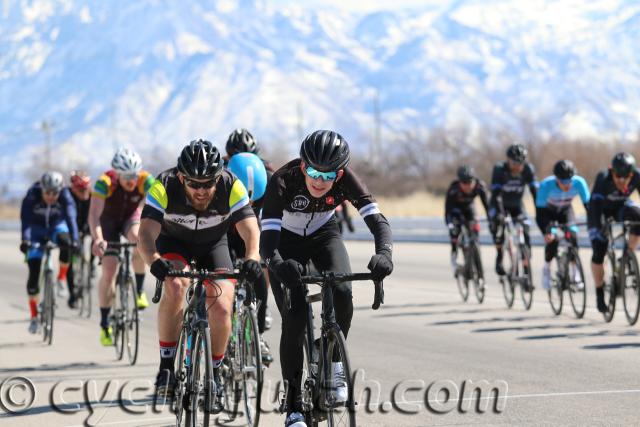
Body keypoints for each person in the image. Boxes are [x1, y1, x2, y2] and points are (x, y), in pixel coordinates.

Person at [259, 130, 393, 427]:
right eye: (313, 171)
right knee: (294, 319)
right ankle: (293, 406)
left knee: (343, 291)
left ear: (340, 173)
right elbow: (266, 243)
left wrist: (385, 254)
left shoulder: (348, 181)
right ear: (303, 166)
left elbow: (378, 222)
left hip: (324, 236)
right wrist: (277, 265)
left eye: (328, 174)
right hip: (284, 242)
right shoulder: (282, 180)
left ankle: (331, 359)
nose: (319, 180)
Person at [138, 139, 263, 408]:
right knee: (176, 285)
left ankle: (215, 376)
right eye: (194, 184)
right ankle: (167, 367)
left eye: (208, 183)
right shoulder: (163, 184)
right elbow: (145, 233)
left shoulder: (231, 184)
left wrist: (253, 256)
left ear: (219, 176)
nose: (202, 190)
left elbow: (250, 228)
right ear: (181, 177)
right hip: (173, 244)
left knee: (221, 306)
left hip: (214, 244)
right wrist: (154, 260)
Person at [89, 147, 155, 346]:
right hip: (107, 222)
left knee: (138, 239)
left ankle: (140, 290)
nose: (131, 180)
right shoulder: (104, 182)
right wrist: (98, 239)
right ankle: (104, 324)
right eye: (126, 176)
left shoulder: (146, 180)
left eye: (134, 175)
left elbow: (161, 206)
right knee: (109, 271)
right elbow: (93, 215)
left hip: (130, 217)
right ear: (117, 174)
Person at [225, 128, 275, 330]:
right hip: (227, 228)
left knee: (264, 264)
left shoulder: (268, 173)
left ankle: (260, 318)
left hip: (253, 225)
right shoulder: (220, 171)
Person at [20, 172, 79, 333]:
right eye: (48, 193)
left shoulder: (65, 195)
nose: (51, 196)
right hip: (36, 231)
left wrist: (75, 240)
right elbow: (25, 220)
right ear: (42, 189)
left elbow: (71, 218)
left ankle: (61, 279)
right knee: (33, 278)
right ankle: (33, 317)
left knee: (67, 244)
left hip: (56, 227)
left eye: (55, 193)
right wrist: (25, 240)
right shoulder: (32, 195)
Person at [588, 152, 640, 313]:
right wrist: (599, 228)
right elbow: (595, 206)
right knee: (599, 248)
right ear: (612, 172)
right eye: (618, 176)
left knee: (638, 216)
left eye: (626, 177)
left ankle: (627, 254)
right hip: (601, 210)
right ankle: (599, 292)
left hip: (621, 207)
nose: (622, 180)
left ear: (632, 173)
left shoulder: (637, 176)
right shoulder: (603, 178)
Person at [535, 160, 590, 290]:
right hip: (548, 213)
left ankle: (575, 273)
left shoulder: (579, 182)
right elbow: (540, 214)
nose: (568, 184)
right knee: (553, 240)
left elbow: (589, 207)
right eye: (564, 182)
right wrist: (546, 232)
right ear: (556, 179)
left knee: (573, 235)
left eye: (570, 180)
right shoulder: (546, 185)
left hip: (566, 210)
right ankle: (547, 268)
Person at [489, 143, 538, 276]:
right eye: (514, 163)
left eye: (520, 163)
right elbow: (496, 194)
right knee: (498, 228)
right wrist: (500, 214)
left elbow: (535, 192)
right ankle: (499, 256)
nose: (517, 166)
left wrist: (539, 211)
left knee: (526, 230)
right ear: (508, 160)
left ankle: (526, 268)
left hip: (517, 205)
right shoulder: (499, 169)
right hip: (499, 203)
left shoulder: (528, 169)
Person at [444, 165, 490, 274]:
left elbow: (487, 206)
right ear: (459, 182)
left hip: (469, 209)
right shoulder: (453, 189)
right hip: (456, 211)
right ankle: (454, 256)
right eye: (464, 183)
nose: (468, 186)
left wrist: (491, 218)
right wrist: (450, 224)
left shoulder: (480, 186)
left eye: (470, 182)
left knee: (475, 232)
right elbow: (447, 211)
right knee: (454, 232)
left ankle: (475, 251)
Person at [65, 170, 92, 308]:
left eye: (86, 188)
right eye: (81, 189)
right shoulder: (67, 195)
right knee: (70, 260)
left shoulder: (92, 195)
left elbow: (95, 216)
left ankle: (92, 263)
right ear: (73, 188)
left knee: (97, 236)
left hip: (86, 226)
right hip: (72, 229)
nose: (84, 192)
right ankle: (72, 295)